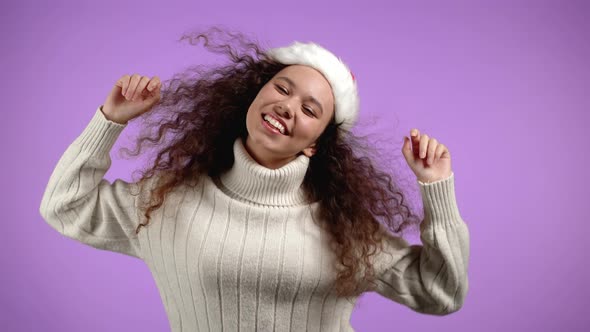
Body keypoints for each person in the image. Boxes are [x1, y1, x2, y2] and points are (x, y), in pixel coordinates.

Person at [39, 27, 469, 331]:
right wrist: (109, 121)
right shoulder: (166, 201)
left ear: (315, 145)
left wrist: (438, 190)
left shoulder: (345, 231)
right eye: (282, 89)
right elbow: (65, 206)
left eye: (310, 109)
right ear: (255, 95)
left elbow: (441, 294)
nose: (288, 107)